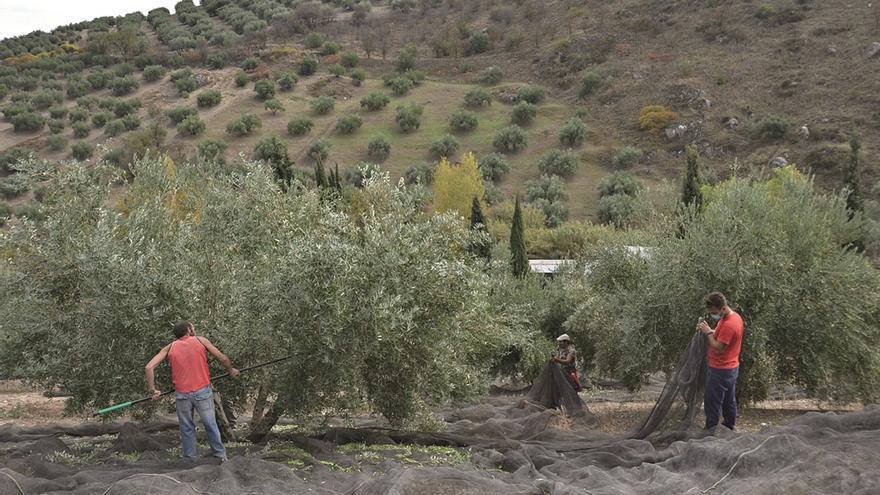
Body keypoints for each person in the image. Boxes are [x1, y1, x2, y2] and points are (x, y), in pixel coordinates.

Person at [145, 321, 240, 462]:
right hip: (202, 391)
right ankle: (220, 456)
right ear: (189, 330)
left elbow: (149, 367)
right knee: (210, 424)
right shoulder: (200, 340)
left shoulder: (170, 347)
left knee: (186, 427)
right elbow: (223, 358)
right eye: (192, 327)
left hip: (182, 395)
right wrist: (230, 370)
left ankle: (190, 458)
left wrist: (153, 390)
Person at [697, 292, 743, 432]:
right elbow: (721, 335)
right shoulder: (734, 317)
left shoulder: (729, 324)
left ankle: (710, 429)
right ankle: (729, 425)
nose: (713, 315)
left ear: (723, 308)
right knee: (729, 399)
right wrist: (710, 330)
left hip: (720, 369)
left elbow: (718, 348)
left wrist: (708, 333)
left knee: (712, 401)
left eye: (715, 312)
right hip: (732, 367)